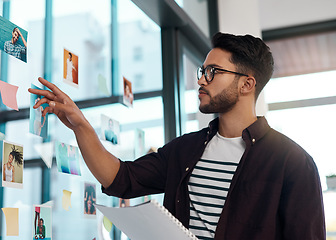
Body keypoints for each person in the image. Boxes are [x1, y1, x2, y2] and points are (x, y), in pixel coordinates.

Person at [29, 32, 325, 239]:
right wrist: (81, 125)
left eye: (213, 72)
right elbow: (120, 178)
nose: (200, 80)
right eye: (202, 70)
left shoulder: (293, 164)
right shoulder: (186, 150)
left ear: (247, 84)